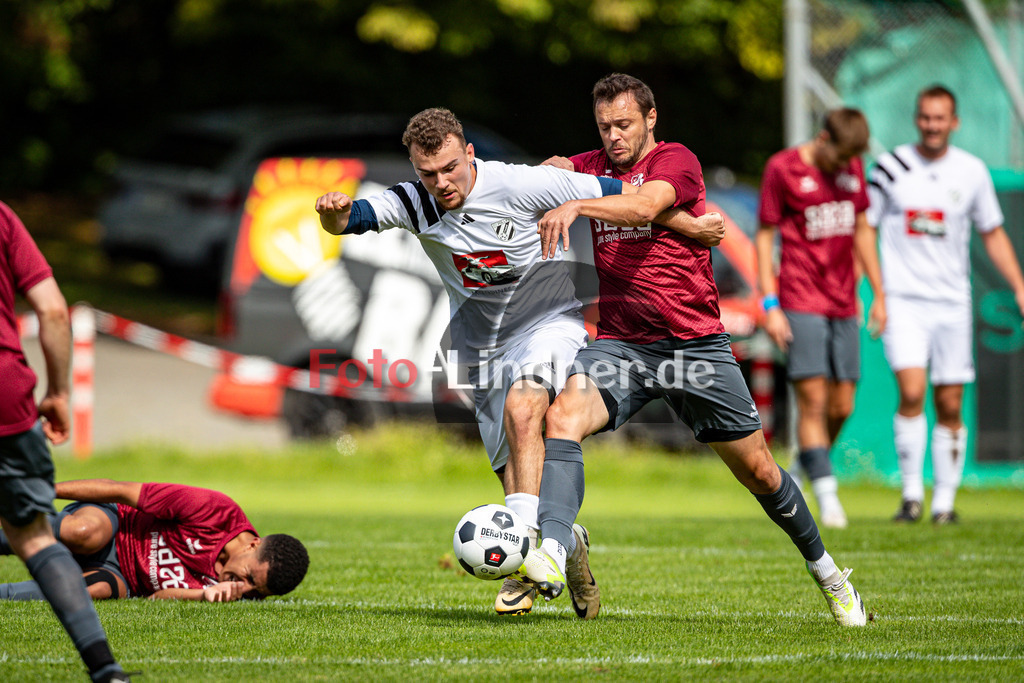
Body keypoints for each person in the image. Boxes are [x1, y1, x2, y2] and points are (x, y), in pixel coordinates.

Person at [315, 107, 723, 619]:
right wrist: (332, 210)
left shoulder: (522, 184)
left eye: (449, 168)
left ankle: (527, 573)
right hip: (480, 348)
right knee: (516, 489)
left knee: (527, 404)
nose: (441, 183)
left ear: (469, 153)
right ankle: (566, 545)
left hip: (548, 323)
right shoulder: (415, 203)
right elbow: (349, 220)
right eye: (428, 174)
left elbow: (631, 199)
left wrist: (691, 225)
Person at [522, 73, 868, 627]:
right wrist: (549, 173)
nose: (613, 136)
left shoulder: (676, 159)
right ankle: (554, 551)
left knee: (760, 472)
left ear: (651, 118)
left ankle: (828, 572)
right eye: (604, 126)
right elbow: (547, 176)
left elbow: (642, 206)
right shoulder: (593, 168)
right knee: (561, 417)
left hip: (695, 347)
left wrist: (578, 206)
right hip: (623, 346)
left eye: (624, 124)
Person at [866, 85, 1024, 524]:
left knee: (951, 402)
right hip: (903, 301)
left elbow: (992, 232)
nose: (932, 125)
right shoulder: (891, 167)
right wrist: (878, 292)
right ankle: (912, 495)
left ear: (954, 122)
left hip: (952, 303)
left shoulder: (971, 172)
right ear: (917, 119)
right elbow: (865, 228)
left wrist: (1019, 285)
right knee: (913, 391)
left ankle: (945, 503)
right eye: (925, 117)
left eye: (940, 118)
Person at [0, 201, 129, 681]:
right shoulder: (3, 218)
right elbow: (54, 311)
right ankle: (105, 668)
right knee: (33, 536)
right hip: (8, 394)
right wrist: (56, 392)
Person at [756, 108, 887, 529]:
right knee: (812, 401)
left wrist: (878, 293)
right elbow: (764, 235)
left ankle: (806, 463)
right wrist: (770, 304)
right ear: (823, 138)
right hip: (800, 298)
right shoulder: (783, 168)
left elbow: (863, 229)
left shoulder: (851, 167)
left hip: (844, 301)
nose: (845, 165)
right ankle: (828, 501)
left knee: (842, 404)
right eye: (840, 155)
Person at [0, 478, 309, 600]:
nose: (245, 588)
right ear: (254, 544)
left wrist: (202, 597)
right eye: (249, 577)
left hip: (123, 577)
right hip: (117, 524)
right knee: (83, 534)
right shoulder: (213, 510)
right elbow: (120, 489)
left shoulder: (236, 595)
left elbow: (154, 599)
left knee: (91, 590)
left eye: (257, 591)